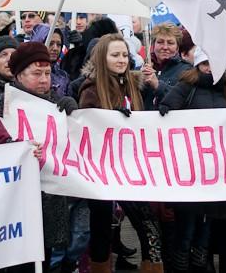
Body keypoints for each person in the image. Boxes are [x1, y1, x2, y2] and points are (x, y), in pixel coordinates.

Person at [78, 34, 163, 273]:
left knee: (148, 225)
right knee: (102, 227)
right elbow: (87, 131)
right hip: (102, 170)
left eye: (125, 55)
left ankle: (153, 267)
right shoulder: (91, 89)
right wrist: (108, 118)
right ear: (101, 58)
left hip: (131, 168)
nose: (122, 60)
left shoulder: (134, 85)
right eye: (115, 55)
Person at [159, 49, 226, 273]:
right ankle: (181, 267)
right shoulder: (186, 87)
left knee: (206, 229)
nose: (210, 68)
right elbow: (167, 107)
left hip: (215, 173)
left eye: (214, 63)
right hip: (190, 172)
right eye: (205, 63)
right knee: (187, 228)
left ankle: (200, 265)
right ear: (198, 65)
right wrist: (165, 110)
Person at [8, 41, 73, 272]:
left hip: (48, 200)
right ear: (18, 76)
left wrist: (73, 112)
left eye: (47, 73)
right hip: (14, 202)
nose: (45, 79)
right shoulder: (2, 106)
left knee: (42, 259)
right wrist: (16, 149)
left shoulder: (58, 105)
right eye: (37, 73)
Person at [141, 23, 193, 110]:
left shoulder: (187, 70)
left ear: (177, 48)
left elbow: (186, 100)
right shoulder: (142, 68)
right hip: (146, 122)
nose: (165, 47)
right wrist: (140, 81)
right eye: (160, 42)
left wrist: (158, 85)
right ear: (153, 45)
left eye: (170, 43)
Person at [31, 24, 70, 98]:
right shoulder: (27, 74)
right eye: (50, 43)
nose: (55, 48)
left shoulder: (63, 76)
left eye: (58, 44)